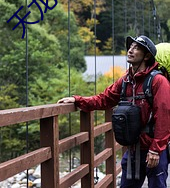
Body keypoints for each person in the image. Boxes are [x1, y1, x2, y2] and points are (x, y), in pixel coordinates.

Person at [57, 35, 170, 188]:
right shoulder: (125, 81)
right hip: (133, 149)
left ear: (147, 56)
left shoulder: (158, 81)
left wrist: (156, 150)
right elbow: (104, 99)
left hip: (153, 149)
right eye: (130, 47)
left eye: (136, 48)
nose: (130, 50)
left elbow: (164, 116)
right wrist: (77, 100)